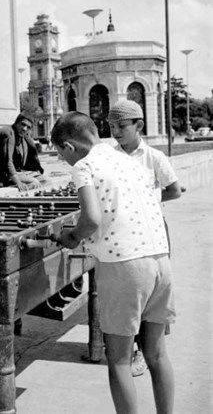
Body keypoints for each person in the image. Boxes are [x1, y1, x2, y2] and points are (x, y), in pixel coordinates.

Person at [51, 112, 175, 414]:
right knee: (157, 355)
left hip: (126, 267)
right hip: (160, 260)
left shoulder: (84, 165)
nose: (63, 160)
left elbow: (91, 219)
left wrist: (72, 236)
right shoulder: (127, 158)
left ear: (68, 147)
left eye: (60, 154)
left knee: (119, 360)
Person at [108, 99, 182, 377]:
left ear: (139, 125)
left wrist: (147, 200)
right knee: (131, 297)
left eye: (122, 126)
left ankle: (147, 350)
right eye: (112, 126)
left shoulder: (153, 157)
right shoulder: (111, 156)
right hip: (124, 234)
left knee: (153, 297)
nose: (116, 131)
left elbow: (174, 190)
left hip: (153, 231)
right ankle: (136, 349)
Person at [0, 112, 45, 191]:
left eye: (28, 127)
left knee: (46, 181)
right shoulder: (8, 133)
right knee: (35, 182)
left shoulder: (24, 137)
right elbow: (7, 162)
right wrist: (18, 182)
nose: (24, 128)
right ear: (16, 122)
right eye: (23, 124)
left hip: (19, 172)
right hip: (5, 175)